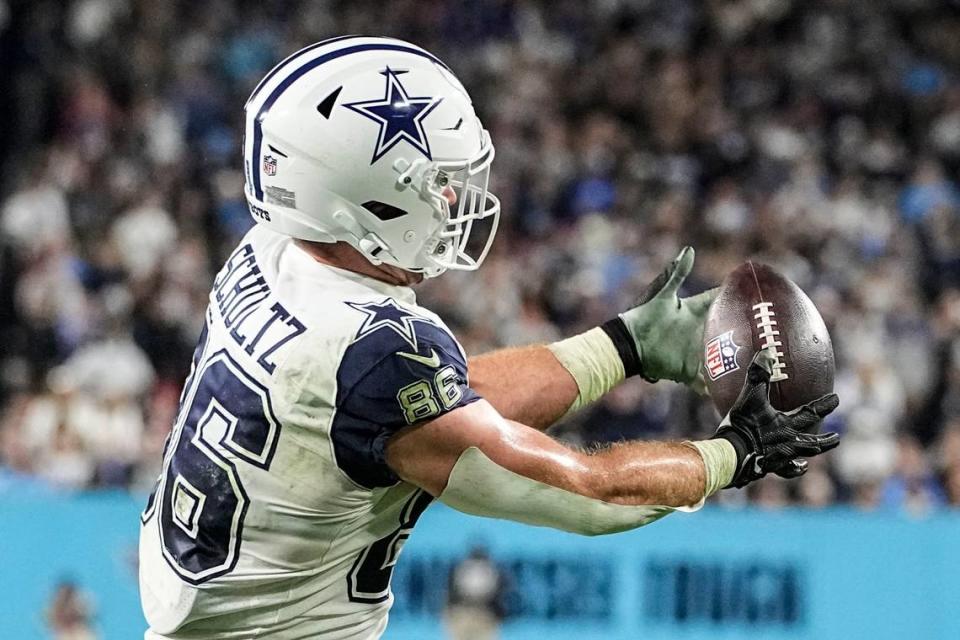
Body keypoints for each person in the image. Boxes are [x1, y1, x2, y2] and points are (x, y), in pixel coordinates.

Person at [138, 36, 840, 639]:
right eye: (436, 182)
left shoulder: (270, 255)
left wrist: (621, 347)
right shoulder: (374, 352)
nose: (450, 200)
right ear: (363, 198)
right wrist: (733, 454)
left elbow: (439, 406)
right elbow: (586, 493)